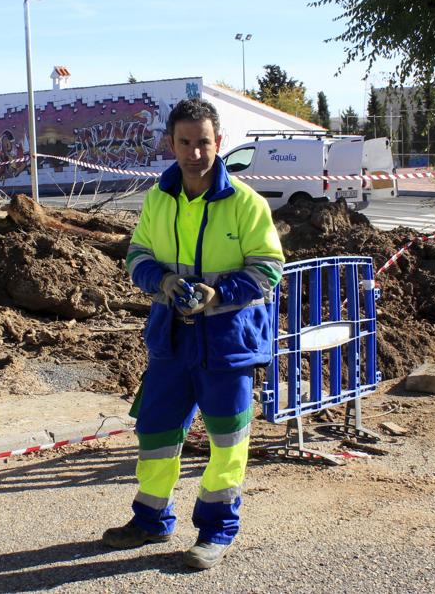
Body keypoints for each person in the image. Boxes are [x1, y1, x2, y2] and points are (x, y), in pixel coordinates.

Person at [106, 97, 284, 569]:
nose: (194, 152)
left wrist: (216, 293)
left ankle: (216, 532)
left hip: (228, 343)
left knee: (227, 441)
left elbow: (269, 269)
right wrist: (162, 281)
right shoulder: (158, 199)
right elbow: (137, 257)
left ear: (218, 142)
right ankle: (150, 520)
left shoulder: (246, 203)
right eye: (184, 142)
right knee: (157, 433)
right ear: (171, 143)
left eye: (203, 142)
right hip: (172, 340)